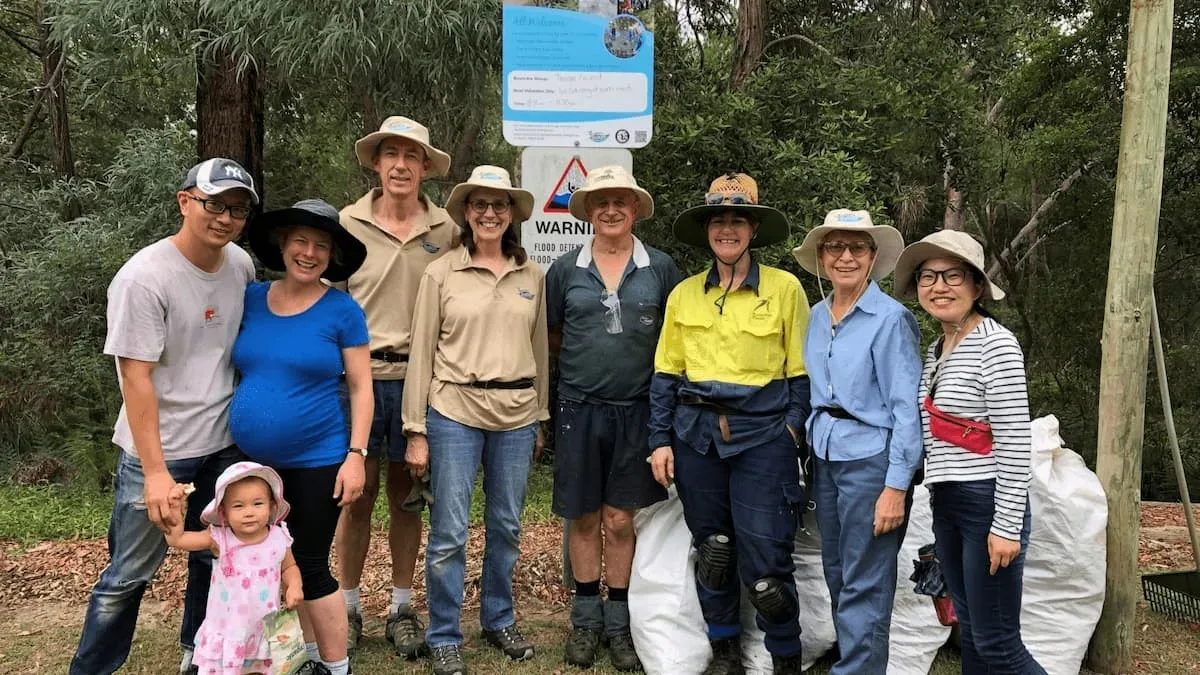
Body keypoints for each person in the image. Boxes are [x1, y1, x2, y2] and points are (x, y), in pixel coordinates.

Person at [70, 158, 257, 675]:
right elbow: (136, 378)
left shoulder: (240, 265)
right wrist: (155, 472)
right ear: (185, 201)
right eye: (214, 204)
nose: (224, 218)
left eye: (237, 210)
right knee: (128, 574)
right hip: (159, 450)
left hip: (222, 443)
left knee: (212, 556)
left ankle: (199, 654)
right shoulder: (143, 278)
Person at [649, 173, 810, 675]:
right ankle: (724, 652)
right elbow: (665, 374)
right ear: (707, 231)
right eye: (718, 220)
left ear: (753, 230)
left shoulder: (786, 290)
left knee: (766, 557)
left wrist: (792, 431)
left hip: (764, 437)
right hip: (696, 437)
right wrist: (660, 440)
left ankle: (785, 655)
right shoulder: (683, 296)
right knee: (714, 549)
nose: (727, 229)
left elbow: (802, 374)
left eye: (737, 220)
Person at [402, 165, 549, 675]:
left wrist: (541, 414)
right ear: (466, 212)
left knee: (506, 525)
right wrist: (415, 428)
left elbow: (539, 352)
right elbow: (421, 351)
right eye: (480, 205)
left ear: (512, 215)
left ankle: (498, 617)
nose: (490, 213)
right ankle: (444, 633)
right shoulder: (441, 272)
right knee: (449, 532)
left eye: (500, 205)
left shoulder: (531, 275)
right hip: (453, 411)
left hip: (516, 415)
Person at [893, 229, 1046, 674]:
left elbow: (1016, 439)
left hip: (986, 501)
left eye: (953, 275)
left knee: (999, 643)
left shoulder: (994, 344)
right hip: (949, 502)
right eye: (928, 277)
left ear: (977, 285)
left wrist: (1005, 525)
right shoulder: (937, 349)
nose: (939, 286)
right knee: (974, 635)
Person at [333, 115, 458, 659]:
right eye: (391, 154)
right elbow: (328, 300)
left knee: (407, 501)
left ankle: (402, 608)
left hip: (420, 381)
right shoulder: (348, 223)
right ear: (376, 163)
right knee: (353, 497)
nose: (401, 165)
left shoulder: (447, 229)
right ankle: (348, 607)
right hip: (356, 380)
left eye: (412, 155)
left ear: (426, 167)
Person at [548, 165, 681, 671]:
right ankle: (585, 620)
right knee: (582, 516)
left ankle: (619, 622)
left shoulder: (660, 268)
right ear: (586, 211)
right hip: (578, 409)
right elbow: (554, 336)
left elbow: (674, 340)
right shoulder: (564, 270)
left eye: (620, 201)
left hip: (639, 409)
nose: (610, 209)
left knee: (620, 518)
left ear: (635, 209)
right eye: (600, 201)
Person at [233, 198, 372, 675]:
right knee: (265, 566)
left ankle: (336, 667)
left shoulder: (342, 310)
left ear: (332, 256)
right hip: (252, 466)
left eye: (320, 245)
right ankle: (298, 659)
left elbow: (360, 387)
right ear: (282, 244)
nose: (309, 253)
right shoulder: (251, 298)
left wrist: (356, 455)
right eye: (300, 241)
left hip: (318, 460)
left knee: (309, 564)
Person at [792, 209, 922, 673]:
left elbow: (908, 410)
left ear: (872, 258)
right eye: (835, 247)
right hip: (825, 454)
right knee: (838, 571)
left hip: (871, 458)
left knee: (865, 577)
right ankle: (857, 661)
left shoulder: (891, 319)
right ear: (823, 257)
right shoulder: (814, 316)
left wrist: (896, 487)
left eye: (857, 248)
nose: (845, 257)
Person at [165, 462, 304, 675]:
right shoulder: (220, 539)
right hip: (227, 630)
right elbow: (179, 539)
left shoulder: (278, 538)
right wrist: (176, 515)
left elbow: (289, 567)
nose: (249, 512)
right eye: (238, 506)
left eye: (258, 504)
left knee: (260, 670)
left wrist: (294, 585)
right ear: (223, 511)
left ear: (272, 506)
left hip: (263, 628)